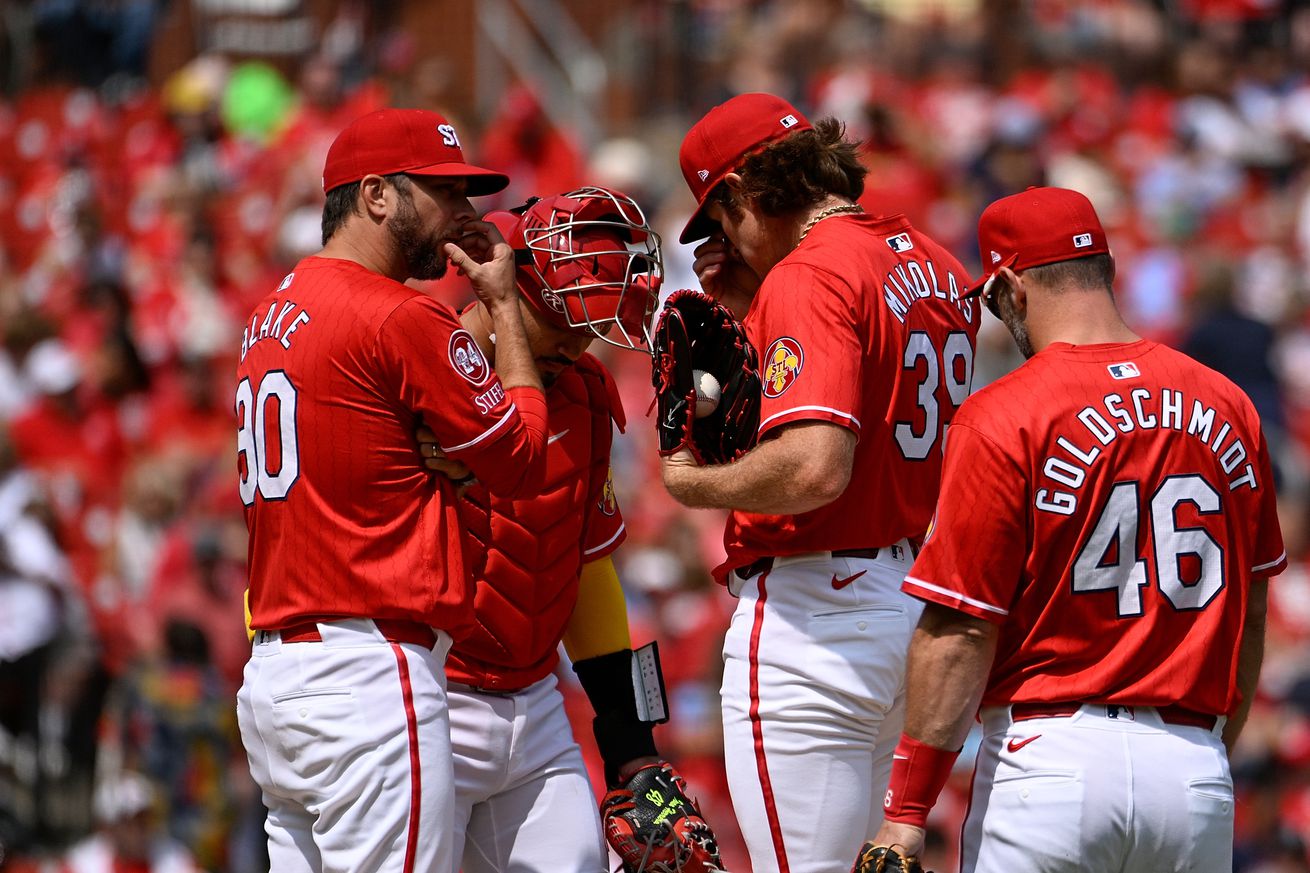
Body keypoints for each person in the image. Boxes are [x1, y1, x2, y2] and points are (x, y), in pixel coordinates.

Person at [859, 187, 1286, 873]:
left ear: (1010, 287)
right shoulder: (1227, 401)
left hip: (1053, 760)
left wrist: (906, 812)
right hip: (1192, 766)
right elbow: (1253, 613)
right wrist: (1205, 753)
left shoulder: (1004, 413)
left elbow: (962, 628)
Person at [659, 92, 980, 873]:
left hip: (816, 621)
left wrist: (687, 481)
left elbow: (813, 467)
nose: (724, 242)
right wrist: (753, 311)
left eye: (721, 218)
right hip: (912, 606)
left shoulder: (809, 274)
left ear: (740, 192)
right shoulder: (934, 261)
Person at [235, 107, 550, 873]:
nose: (465, 214)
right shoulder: (402, 313)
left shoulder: (270, 312)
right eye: (443, 192)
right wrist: (505, 306)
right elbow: (523, 458)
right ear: (376, 194)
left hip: (278, 679)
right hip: (368, 677)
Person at [415, 186, 707, 872]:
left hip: (536, 703)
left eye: (592, 325)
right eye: (563, 319)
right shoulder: (417, 368)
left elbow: (586, 566)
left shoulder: (585, 392)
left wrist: (636, 741)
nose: (577, 342)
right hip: (430, 694)